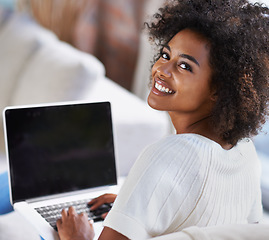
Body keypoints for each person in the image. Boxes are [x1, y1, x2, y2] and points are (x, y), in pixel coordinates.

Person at [56, 0, 269, 239]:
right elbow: (230, 227)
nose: (162, 70)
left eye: (185, 66)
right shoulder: (245, 154)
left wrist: (77, 236)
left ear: (219, 89)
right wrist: (135, 205)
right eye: (166, 55)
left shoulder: (166, 155)